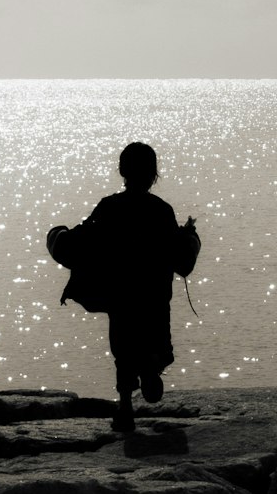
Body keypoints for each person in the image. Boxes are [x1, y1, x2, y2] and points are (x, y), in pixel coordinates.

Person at [56, 141, 200, 432]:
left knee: (122, 350)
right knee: (158, 342)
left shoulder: (109, 207)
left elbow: (82, 239)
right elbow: (177, 252)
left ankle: (125, 407)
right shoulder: (161, 210)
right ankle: (151, 367)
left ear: (122, 171)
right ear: (154, 175)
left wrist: (58, 235)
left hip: (120, 294)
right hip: (154, 295)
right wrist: (190, 237)